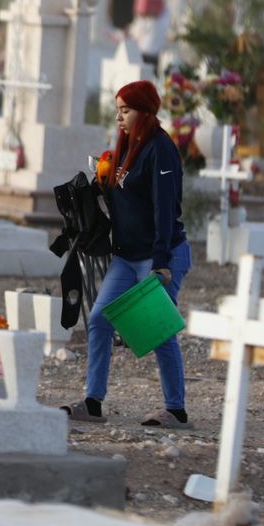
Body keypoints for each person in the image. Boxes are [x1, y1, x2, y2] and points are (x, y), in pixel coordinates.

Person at [64, 80, 192, 428]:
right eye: (118, 110)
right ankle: (93, 403)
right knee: (99, 319)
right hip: (126, 255)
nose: (119, 117)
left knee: (158, 328)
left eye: (126, 110)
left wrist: (161, 263)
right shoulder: (125, 148)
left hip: (159, 256)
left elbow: (165, 208)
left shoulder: (160, 150)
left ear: (145, 112)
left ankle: (176, 410)